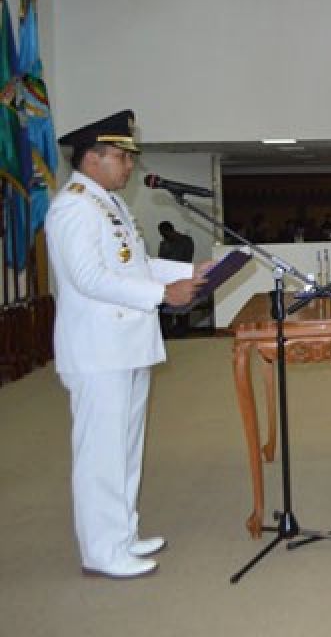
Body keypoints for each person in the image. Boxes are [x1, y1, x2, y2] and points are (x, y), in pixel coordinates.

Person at [47, 110, 208, 579]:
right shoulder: (74, 206)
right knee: (101, 452)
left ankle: (122, 534)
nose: (128, 166)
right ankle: (101, 550)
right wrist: (163, 295)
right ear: (92, 159)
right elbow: (90, 279)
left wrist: (187, 274)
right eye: (120, 156)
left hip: (125, 345)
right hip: (98, 350)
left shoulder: (109, 204)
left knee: (126, 447)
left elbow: (130, 268)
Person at [157, 221, 197, 338]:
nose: (163, 236)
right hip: (168, 279)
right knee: (166, 308)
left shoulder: (186, 241)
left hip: (183, 277)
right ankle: (167, 333)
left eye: (164, 233)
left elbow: (186, 258)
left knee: (183, 307)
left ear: (169, 230)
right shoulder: (164, 244)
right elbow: (161, 261)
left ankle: (182, 332)